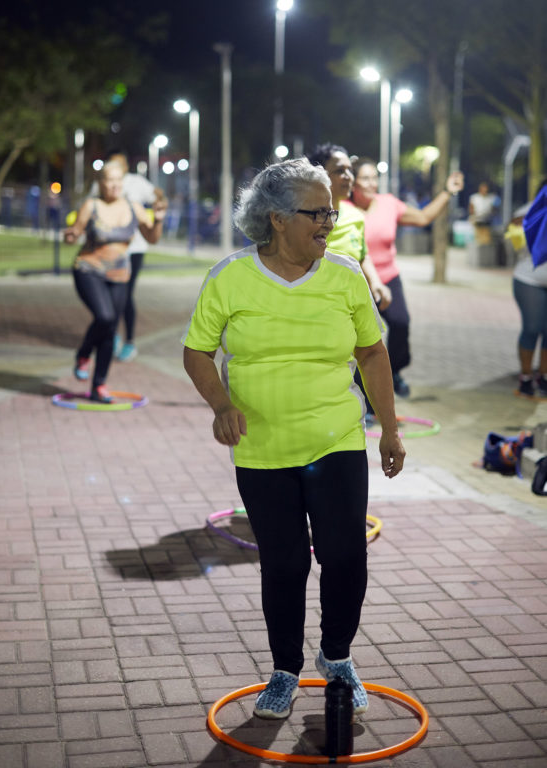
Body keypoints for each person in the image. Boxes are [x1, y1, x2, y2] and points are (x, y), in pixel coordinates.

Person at [182, 157, 405, 720]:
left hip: (336, 439)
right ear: (277, 219)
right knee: (283, 565)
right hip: (263, 449)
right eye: (317, 212)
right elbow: (197, 350)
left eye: (332, 210)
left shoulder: (346, 274)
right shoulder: (230, 277)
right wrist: (221, 404)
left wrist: (390, 430)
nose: (329, 220)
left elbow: (372, 353)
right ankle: (284, 670)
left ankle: (336, 657)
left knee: (345, 555)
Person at [351, 157, 464, 398]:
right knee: (363, 340)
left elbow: (423, 217)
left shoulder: (388, 204)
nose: (372, 183)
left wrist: (447, 192)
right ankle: (364, 397)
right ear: (352, 182)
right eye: (365, 178)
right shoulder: (343, 209)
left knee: (401, 323)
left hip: (388, 277)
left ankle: (394, 373)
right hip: (357, 282)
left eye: (374, 178)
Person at [64, 159, 167, 402]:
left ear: (123, 182)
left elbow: (152, 238)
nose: (114, 185)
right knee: (105, 317)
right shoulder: (92, 205)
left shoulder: (134, 207)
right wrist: (70, 235)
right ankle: (84, 353)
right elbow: (75, 233)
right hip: (89, 270)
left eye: (118, 181)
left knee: (110, 330)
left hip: (120, 275)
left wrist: (159, 219)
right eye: (109, 181)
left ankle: (98, 385)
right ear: (101, 183)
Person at [307, 143, 391, 311]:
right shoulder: (304, 218)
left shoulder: (356, 216)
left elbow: (362, 255)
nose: (348, 177)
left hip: (349, 303)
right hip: (313, 304)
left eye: (349, 171)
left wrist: (375, 282)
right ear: (319, 175)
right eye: (339, 171)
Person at [97, 152, 162, 363]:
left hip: (133, 250)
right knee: (107, 293)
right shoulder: (100, 187)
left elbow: (158, 196)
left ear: (125, 166)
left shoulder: (136, 183)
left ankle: (129, 341)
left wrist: (159, 209)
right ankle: (111, 334)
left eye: (120, 163)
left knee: (124, 294)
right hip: (108, 250)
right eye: (112, 162)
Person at [508, 182, 547, 398]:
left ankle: (543, 376)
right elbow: (515, 240)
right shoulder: (528, 211)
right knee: (532, 328)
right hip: (529, 279)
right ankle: (525, 378)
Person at [469, 181, 500, 245]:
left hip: (487, 220)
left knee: (486, 239)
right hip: (477, 220)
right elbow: (471, 208)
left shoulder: (490, 198)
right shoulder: (475, 197)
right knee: (478, 238)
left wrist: (491, 215)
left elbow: (494, 208)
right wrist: (473, 217)